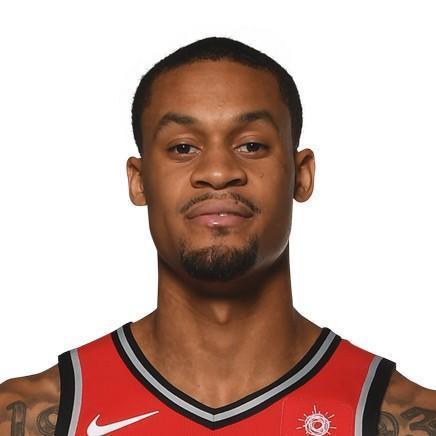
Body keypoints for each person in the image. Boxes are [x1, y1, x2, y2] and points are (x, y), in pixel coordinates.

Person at [0, 36, 434, 436]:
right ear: (139, 181)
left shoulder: (401, 418)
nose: (218, 171)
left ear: (301, 176)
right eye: (183, 148)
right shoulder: (35, 417)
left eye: (251, 145)